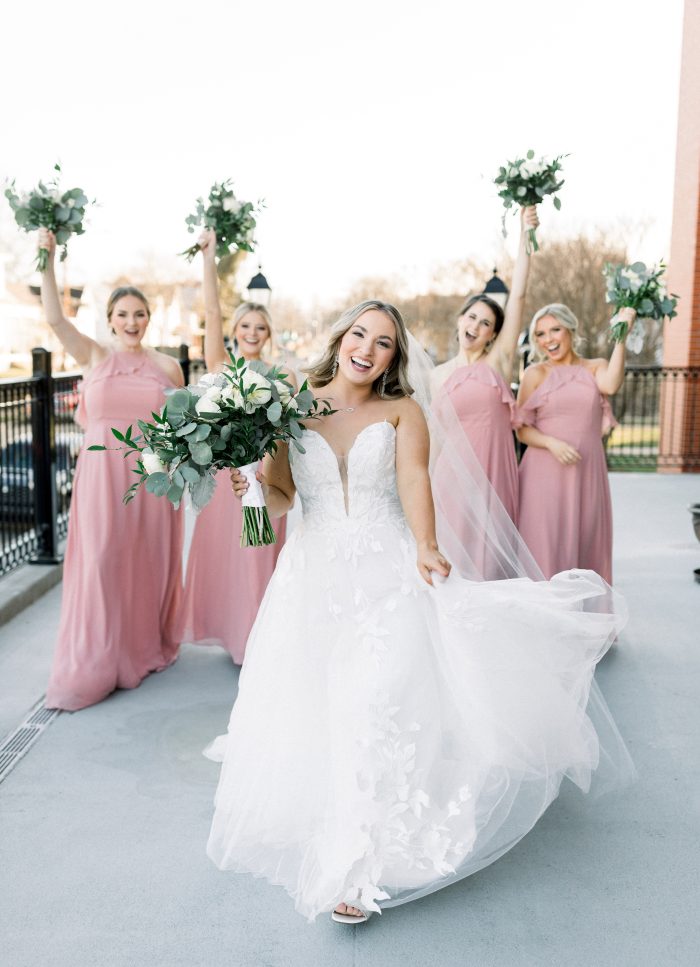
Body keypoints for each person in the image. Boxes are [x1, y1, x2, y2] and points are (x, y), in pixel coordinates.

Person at [205, 299, 633, 924]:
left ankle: (359, 862)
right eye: (359, 334)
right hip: (312, 579)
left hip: (387, 574)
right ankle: (337, 826)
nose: (367, 349)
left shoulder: (403, 410)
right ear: (340, 337)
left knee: (373, 700)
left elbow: (413, 481)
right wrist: (249, 488)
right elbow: (280, 496)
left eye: (383, 343)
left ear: (394, 357)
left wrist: (429, 547)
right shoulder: (291, 405)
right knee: (323, 704)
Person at [40, 229, 184, 711]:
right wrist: (48, 257)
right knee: (101, 559)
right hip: (101, 477)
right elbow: (56, 319)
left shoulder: (167, 367)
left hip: (150, 477)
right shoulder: (95, 358)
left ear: (148, 319)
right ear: (110, 320)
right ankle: (96, 660)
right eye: (123, 314)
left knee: (141, 560)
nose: (132, 321)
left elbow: (179, 428)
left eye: (139, 314)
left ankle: (138, 647)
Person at [179, 229, 288, 663]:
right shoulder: (222, 367)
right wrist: (209, 258)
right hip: (227, 474)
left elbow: (291, 431)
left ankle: (258, 640)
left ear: (268, 334)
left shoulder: (284, 375)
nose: (252, 332)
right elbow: (211, 312)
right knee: (229, 558)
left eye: (260, 327)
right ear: (236, 331)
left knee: (258, 555)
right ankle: (232, 634)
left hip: (263, 475)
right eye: (245, 325)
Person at [430, 206, 539, 524]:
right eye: (472, 317)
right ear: (461, 318)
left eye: (486, 323)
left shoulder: (497, 362)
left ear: (493, 334)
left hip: (494, 476)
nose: (476, 326)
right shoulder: (437, 376)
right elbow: (435, 440)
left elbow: (517, 295)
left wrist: (525, 234)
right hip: (450, 480)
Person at [516, 303, 635, 583]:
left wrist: (622, 337)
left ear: (570, 329)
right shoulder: (535, 374)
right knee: (543, 545)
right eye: (541, 334)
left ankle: (585, 620)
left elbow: (612, 385)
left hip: (587, 474)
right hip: (543, 476)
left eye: (555, 330)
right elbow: (521, 429)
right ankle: (544, 620)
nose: (549, 340)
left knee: (586, 543)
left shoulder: (596, 368)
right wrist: (551, 443)